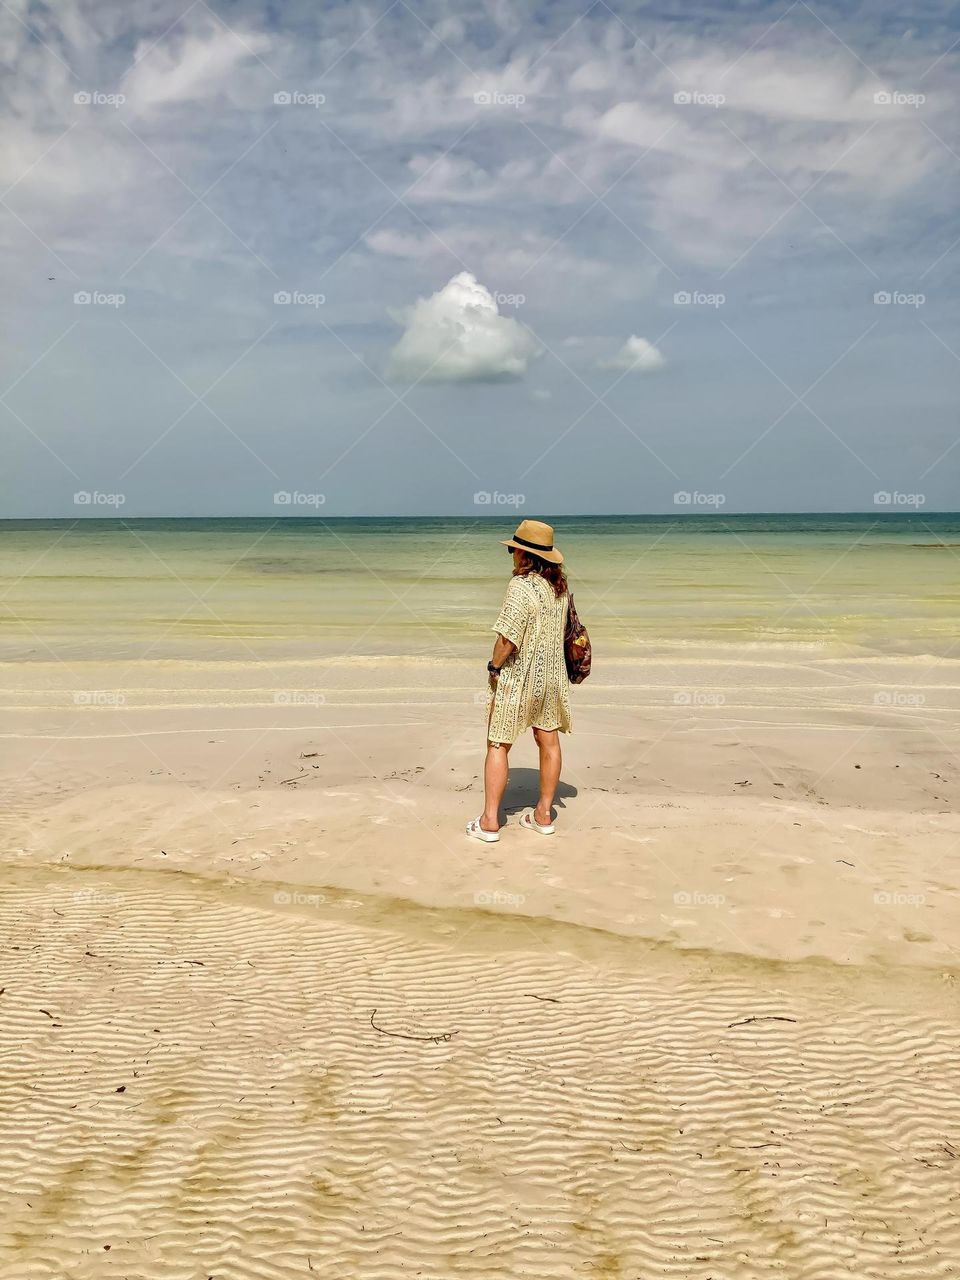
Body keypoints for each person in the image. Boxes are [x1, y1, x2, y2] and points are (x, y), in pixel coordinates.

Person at [466, 519, 571, 843]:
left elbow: (508, 639)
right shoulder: (559, 589)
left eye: (514, 549)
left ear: (524, 555)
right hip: (552, 677)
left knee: (498, 742)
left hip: (519, 676)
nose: (511, 554)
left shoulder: (520, 586)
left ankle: (489, 822)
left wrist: (494, 667)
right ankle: (543, 815)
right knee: (549, 740)